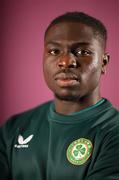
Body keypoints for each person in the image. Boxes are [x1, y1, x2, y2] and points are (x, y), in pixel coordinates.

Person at [0, 11, 119, 180]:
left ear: (103, 63)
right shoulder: (13, 128)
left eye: (83, 52)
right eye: (55, 51)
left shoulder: (114, 133)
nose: (66, 61)